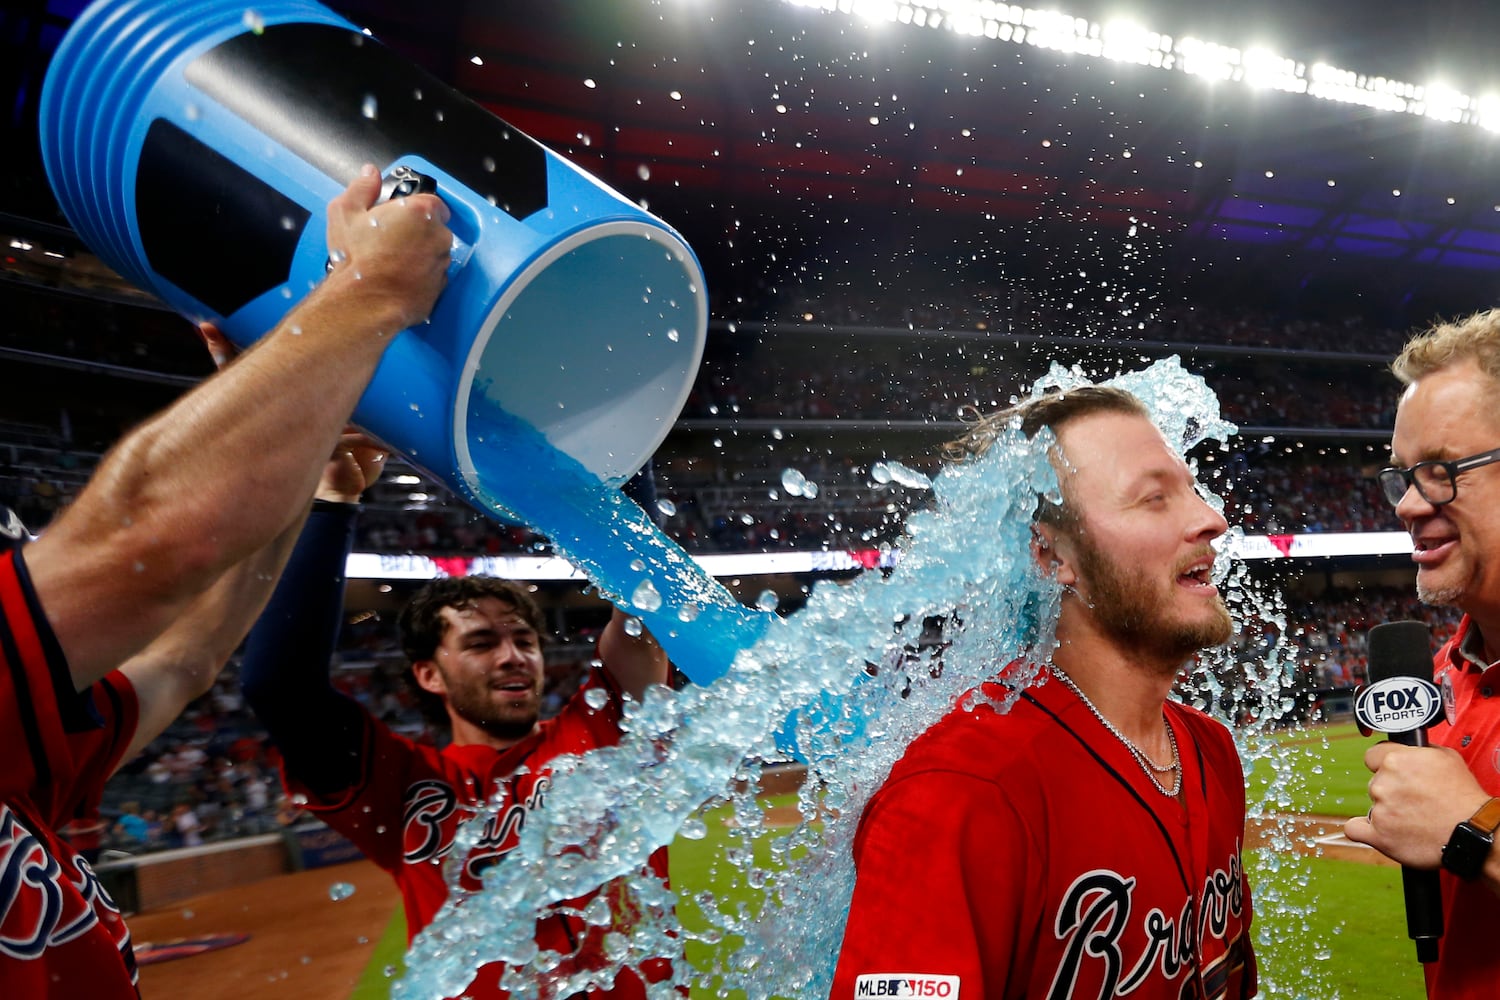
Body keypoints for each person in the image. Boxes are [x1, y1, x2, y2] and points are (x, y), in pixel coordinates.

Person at [0, 165, 451, 997]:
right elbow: (158, 543)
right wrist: (371, 288)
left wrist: (310, 489)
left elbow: (187, 656)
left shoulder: (25, 756)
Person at [830, 386, 1256, 999]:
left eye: (1192, 489)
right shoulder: (959, 794)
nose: (1210, 518)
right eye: (1154, 498)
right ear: (1050, 555)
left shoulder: (1212, 751)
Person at [238, 442, 678, 999]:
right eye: (481, 642)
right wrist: (334, 499)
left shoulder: (598, 730)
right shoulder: (396, 785)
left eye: (524, 640)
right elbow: (279, 686)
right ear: (429, 675)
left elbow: (646, 599)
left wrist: (630, 438)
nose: (513, 655)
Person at [1344, 308, 1500, 998]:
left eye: (1441, 471)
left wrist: (1474, 831)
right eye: (1404, 476)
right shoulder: (1438, 677)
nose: (1408, 505)